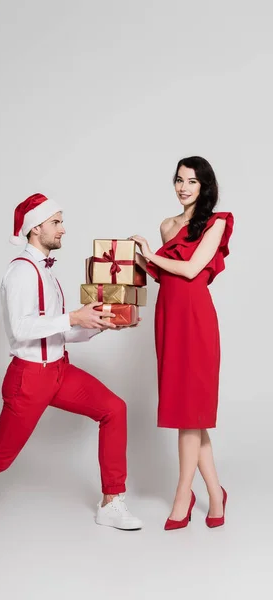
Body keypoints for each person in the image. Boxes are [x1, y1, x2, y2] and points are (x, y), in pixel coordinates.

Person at [0, 193, 142, 531]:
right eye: (56, 222)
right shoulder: (20, 272)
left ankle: (111, 501)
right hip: (29, 379)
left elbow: (58, 333)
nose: (63, 229)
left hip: (59, 371)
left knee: (114, 409)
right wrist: (73, 316)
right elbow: (21, 328)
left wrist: (100, 325)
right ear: (35, 229)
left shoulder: (47, 273)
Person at [130, 156, 233, 530]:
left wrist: (151, 257)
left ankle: (182, 494)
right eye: (179, 180)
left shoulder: (216, 223)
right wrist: (139, 257)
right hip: (169, 317)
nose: (183, 187)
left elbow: (191, 270)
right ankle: (216, 495)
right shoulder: (166, 225)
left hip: (196, 319)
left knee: (190, 414)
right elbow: (165, 273)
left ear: (205, 186)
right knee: (189, 412)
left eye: (192, 181)